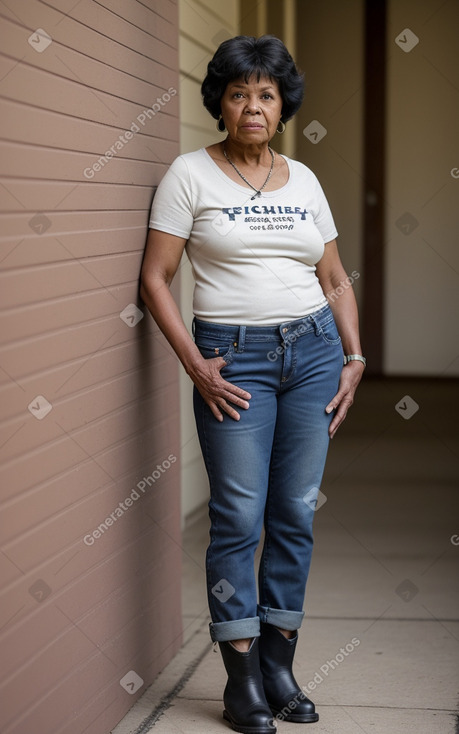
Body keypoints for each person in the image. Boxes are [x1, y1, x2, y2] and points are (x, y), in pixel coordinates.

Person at [141, 34, 365, 734]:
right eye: (238, 93)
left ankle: (278, 664)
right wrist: (193, 362)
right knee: (238, 516)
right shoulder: (189, 174)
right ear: (221, 103)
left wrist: (354, 357)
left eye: (265, 94)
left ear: (281, 104)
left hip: (313, 354)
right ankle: (239, 676)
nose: (252, 106)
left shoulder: (303, 180)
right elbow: (155, 278)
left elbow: (332, 278)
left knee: (293, 511)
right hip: (231, 362)